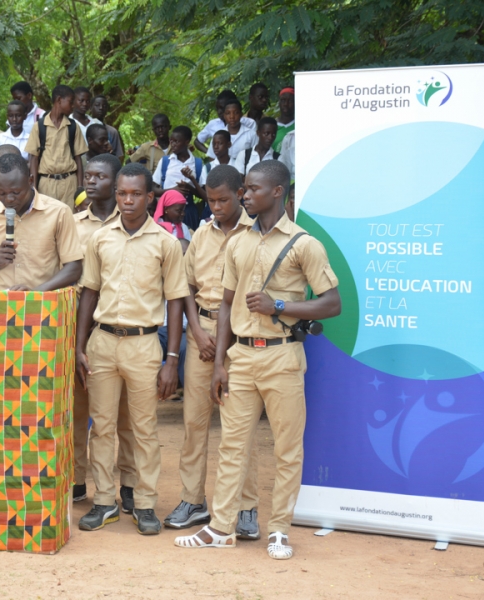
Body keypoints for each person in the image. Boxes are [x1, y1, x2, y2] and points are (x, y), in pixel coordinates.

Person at [174, 160, 341, 561]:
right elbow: (226, 305)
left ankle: (280, 530)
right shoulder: (238, 243)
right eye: (245, 189)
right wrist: (220, 364)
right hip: (241, 358)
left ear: (277, 192)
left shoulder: (304, 244)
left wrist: (279, 305)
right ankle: (221, 528)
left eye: (252, 189)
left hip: (283, 355)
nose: (245, 195)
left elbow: (332, 304)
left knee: (287, 449)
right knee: (233, 446)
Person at [75, 163, 188, 536]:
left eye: (136, 194)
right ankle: (104, 502)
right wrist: (80, 346)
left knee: (144, 429)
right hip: (103, 342)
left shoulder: (166, 244)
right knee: (102, 427)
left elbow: (176, 301)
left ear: (149, 197)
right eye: (122, 193)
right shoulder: (100, 239)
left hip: (143, 344)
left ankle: (145, 504)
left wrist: (172, 359)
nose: (127, 200)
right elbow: (89, 292)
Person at [163, 165, 260, 536]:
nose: (216, 207)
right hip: (201, 336)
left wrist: (224, 340)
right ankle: (193, 500)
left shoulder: (256, 235)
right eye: (211, 200)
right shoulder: (201, 234)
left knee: (240, 428)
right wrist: (197, 332)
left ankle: (245, 507)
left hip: (240, 339)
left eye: (223, 200)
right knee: (194, 422)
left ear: (240, 195)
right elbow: (185, 286)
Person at [71, 153, 137, 506]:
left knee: (124, 414)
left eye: (100, 176)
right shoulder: (73, 223)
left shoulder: (132, 221)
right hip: (78, 326)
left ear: (116, 183)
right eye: (89, 175)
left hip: (118, 326)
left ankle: (128, 482)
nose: (91, 181)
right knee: (78, 409)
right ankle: (77, 479)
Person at [0, 153, 82, 291]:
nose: (9, 199)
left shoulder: (59, 212)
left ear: (30, 181)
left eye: (16, 192)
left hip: (42, 301)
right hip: (0, 302)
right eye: (2, 193)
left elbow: (74, 268)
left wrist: (34, 294)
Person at [26, 85, 87, 208]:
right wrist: (34, 188)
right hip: (46, 183)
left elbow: (78, 159)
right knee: (47, 217)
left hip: (69, 183)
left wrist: (80, 187)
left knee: (70, 216)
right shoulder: (39, 127)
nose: (73, 106)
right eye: (71, 101)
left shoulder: (73, 126)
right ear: (59, 100)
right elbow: (34, 159)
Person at [194, 91, 256, 159]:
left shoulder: (249, 124)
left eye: (222, 108)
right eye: (217, 108)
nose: (219, 112)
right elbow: (198, 142)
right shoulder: (213, 125)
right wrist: (212, 154)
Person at [89, 95, 125, 160]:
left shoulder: (112, 131)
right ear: (90, 108)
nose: (101, 108)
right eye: (97, 105)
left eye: (104, 106)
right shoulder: (84, 128)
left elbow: (119, 156)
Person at [273, 88, 295, 153]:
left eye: (290, 101)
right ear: (279, 103)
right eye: (283, 100)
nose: (286, 104)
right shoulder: (271, 126)